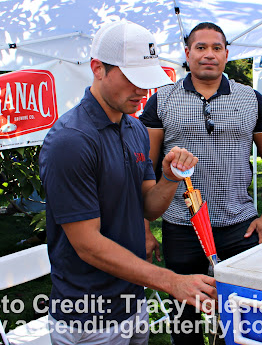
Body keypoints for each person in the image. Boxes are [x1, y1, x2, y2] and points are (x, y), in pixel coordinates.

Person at [39, 20, 217, 345]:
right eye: (133, 79)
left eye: (146, 80)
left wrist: (168, 178)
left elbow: (147, 207)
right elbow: (87, 244)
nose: (142, 91)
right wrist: (169, 280)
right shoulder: (71, 141)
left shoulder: (133, 128)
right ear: (98, 69)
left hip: (133, 301)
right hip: (89, 315)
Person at [140, 22, 262, 345]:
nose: (209, 55)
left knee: (239, 317)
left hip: (239, 226)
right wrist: (145, 228)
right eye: (201, 47)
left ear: (226, 54)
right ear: (187, 54)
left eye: (216, 48)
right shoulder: (162, 101)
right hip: (181, 225)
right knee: (185, 322)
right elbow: (144, 169)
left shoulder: (250, 99)